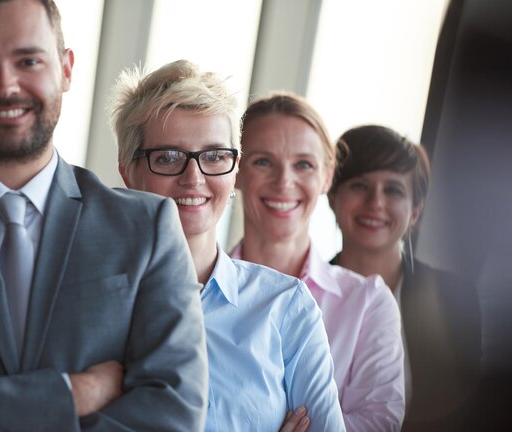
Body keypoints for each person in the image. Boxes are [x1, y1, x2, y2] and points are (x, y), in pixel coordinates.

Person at [0, 1, 208, 430]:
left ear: (66, 68)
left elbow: (172, 417)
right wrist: (74, 394)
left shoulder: (146, 229)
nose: (6, 86)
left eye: (28, 60)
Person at [111, 60, 345, 432]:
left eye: (215, 156)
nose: (194, 178)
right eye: (169, 157)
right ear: (128, 170)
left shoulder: (287, 308)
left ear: (234, 169)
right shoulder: (88, 302)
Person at [231, 92, 405, 431]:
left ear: (327, 176)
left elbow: (380, 423)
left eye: (303, 164)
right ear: (234, 171)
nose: (284, 182)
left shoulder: (367, 302)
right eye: (263, 161)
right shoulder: (196, 293)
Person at [327, 124, 482, 431]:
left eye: (393, 190)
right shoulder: (300, 296)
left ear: (415, 210)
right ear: (333, 197)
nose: (376, 202)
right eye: (359, 185)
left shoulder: (454, 298)